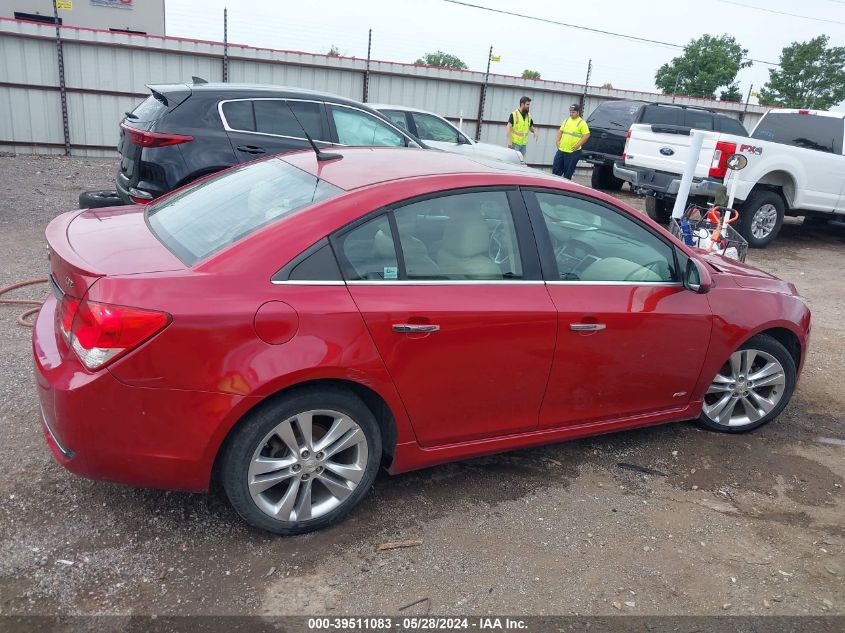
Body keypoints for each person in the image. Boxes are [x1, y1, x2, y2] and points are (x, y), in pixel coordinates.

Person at [552, 103, 590, 180]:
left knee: (567, 174)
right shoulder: (566, 120)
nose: (571, 114)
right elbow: (560, 131)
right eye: (570, 112)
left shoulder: (581, 123)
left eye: (573, 112)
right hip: (561, 150)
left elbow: (586, 135)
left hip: (572, 152)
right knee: (555, 172)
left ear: (578, 112)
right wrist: (557, 141)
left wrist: (578, 145)